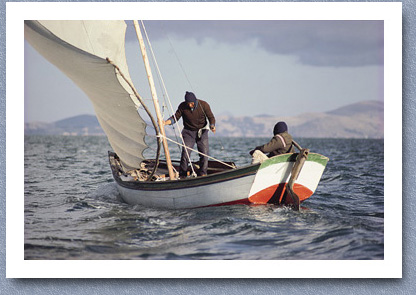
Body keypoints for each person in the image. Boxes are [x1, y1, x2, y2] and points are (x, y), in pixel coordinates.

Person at [164, 91, 216, 177]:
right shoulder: (182, 106)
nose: (190, 105)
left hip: (202, 131)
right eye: (188, 103)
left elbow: (211, 117)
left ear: (195, 101)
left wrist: (212, 126)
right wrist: (165, 122)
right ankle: (182, 175)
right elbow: (175, 118)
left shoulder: (204, 105)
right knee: (185, 153)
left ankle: (203, 173)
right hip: (188, 132)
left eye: (192, 103)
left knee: (204, 153)